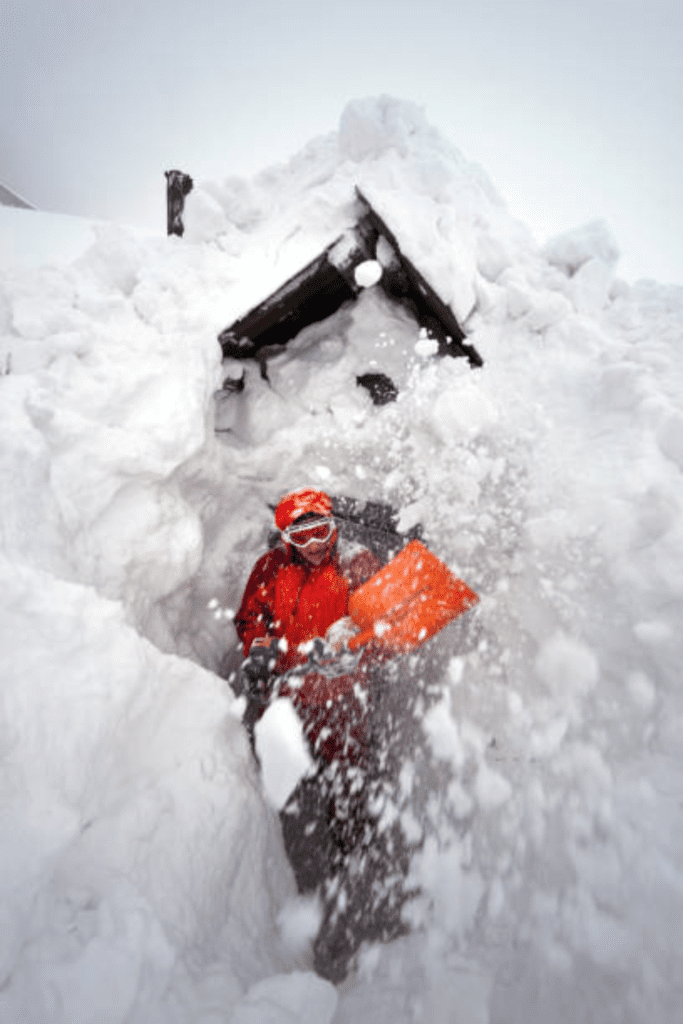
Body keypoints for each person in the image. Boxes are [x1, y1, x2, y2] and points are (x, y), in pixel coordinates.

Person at [234, 486, 382, 763]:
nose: (314, 545)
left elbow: (385, 620)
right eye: (302, 537)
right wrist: (259, 650)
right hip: (285, 689)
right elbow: (251, 617)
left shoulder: (356, 562)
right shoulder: (271, 567)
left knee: (347, 766)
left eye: (320, 532)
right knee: (279, 767)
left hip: (344, 693)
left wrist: (357, 637)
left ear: (333, 528)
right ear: (287, 539)